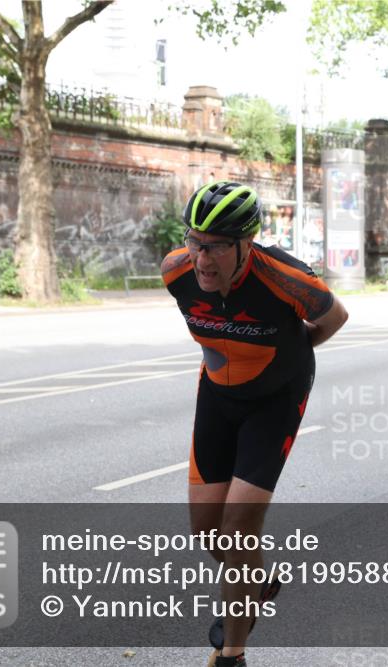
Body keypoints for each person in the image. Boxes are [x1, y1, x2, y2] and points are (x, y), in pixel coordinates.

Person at [161, 180, 349, 666]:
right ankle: (255, 582)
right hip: (218, 395)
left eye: (217, 246)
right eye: (194, 241)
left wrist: (293, 349)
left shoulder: (286, 278)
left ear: (247, 244)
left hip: (276, 398)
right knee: (208, 534)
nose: (202, 258)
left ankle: (233, 654)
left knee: (239, 525)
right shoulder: (174, 271)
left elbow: (334, 317)